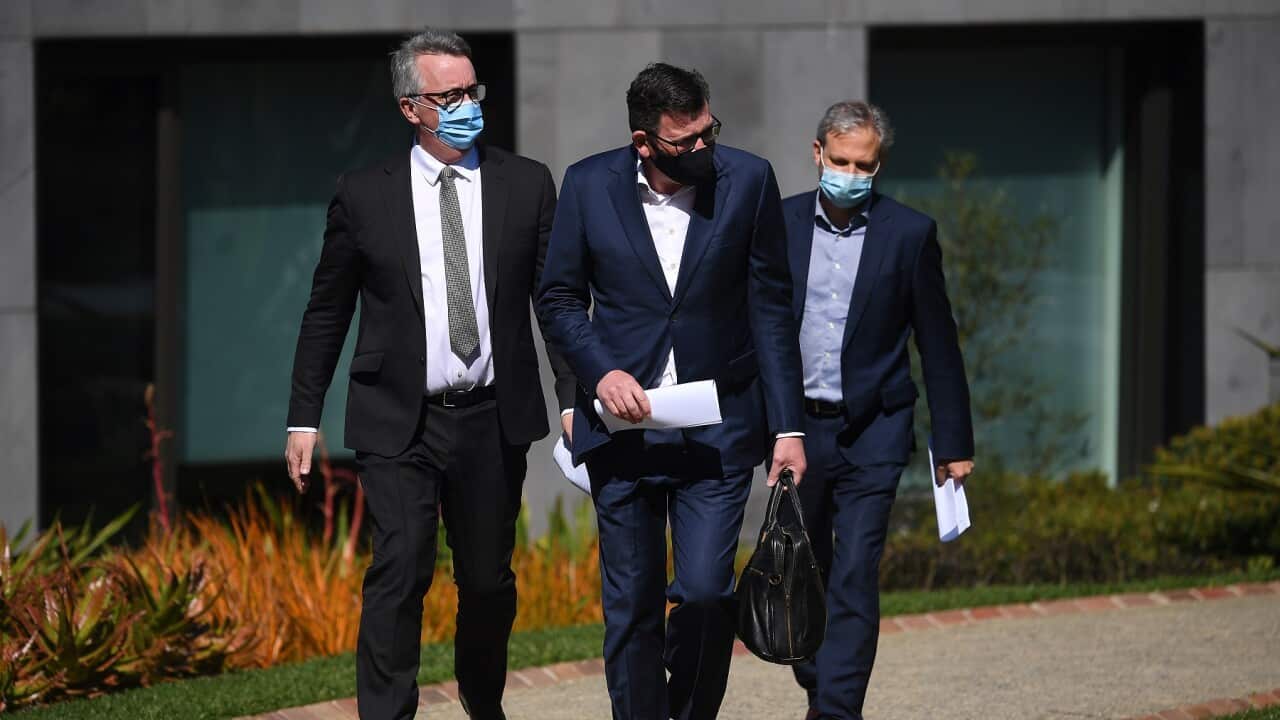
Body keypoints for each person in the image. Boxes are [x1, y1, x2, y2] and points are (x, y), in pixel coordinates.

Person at [283, 28, 574, 720]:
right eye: (451, 95)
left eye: (473, 90)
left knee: (486, 582)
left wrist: (572, 396)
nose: (469, 103)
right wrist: (303, 417)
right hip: (398, 418)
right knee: (399, 570)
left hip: (491, 415)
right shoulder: (362, 195)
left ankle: (483, 699)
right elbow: (326, 311)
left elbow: (554, 300)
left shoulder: (525, 183)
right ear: (412, 108)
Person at [536, 62, 807, 720]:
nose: (703, 150)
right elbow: (561, 298)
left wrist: (788, 428)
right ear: (643, 142)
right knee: (630, 607)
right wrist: (598, 373)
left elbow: (771, 310)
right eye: (686, 143)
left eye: (709, 132)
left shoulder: (749, 181)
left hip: (716, 431)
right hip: (621, 433)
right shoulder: (587, 185)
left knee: (709, 594)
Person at [782, 101, 975, 720]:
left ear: (879, 165)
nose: (850, 174)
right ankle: (819, 677)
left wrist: (953, 442)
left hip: (875, 429)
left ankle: (836, 710)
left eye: (864, 165)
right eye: (840, 161)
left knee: (857, 571)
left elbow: (937, 342)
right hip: (800, 429)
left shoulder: (909, 234)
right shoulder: (779, 224)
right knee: (804, 570)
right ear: (818, 155)